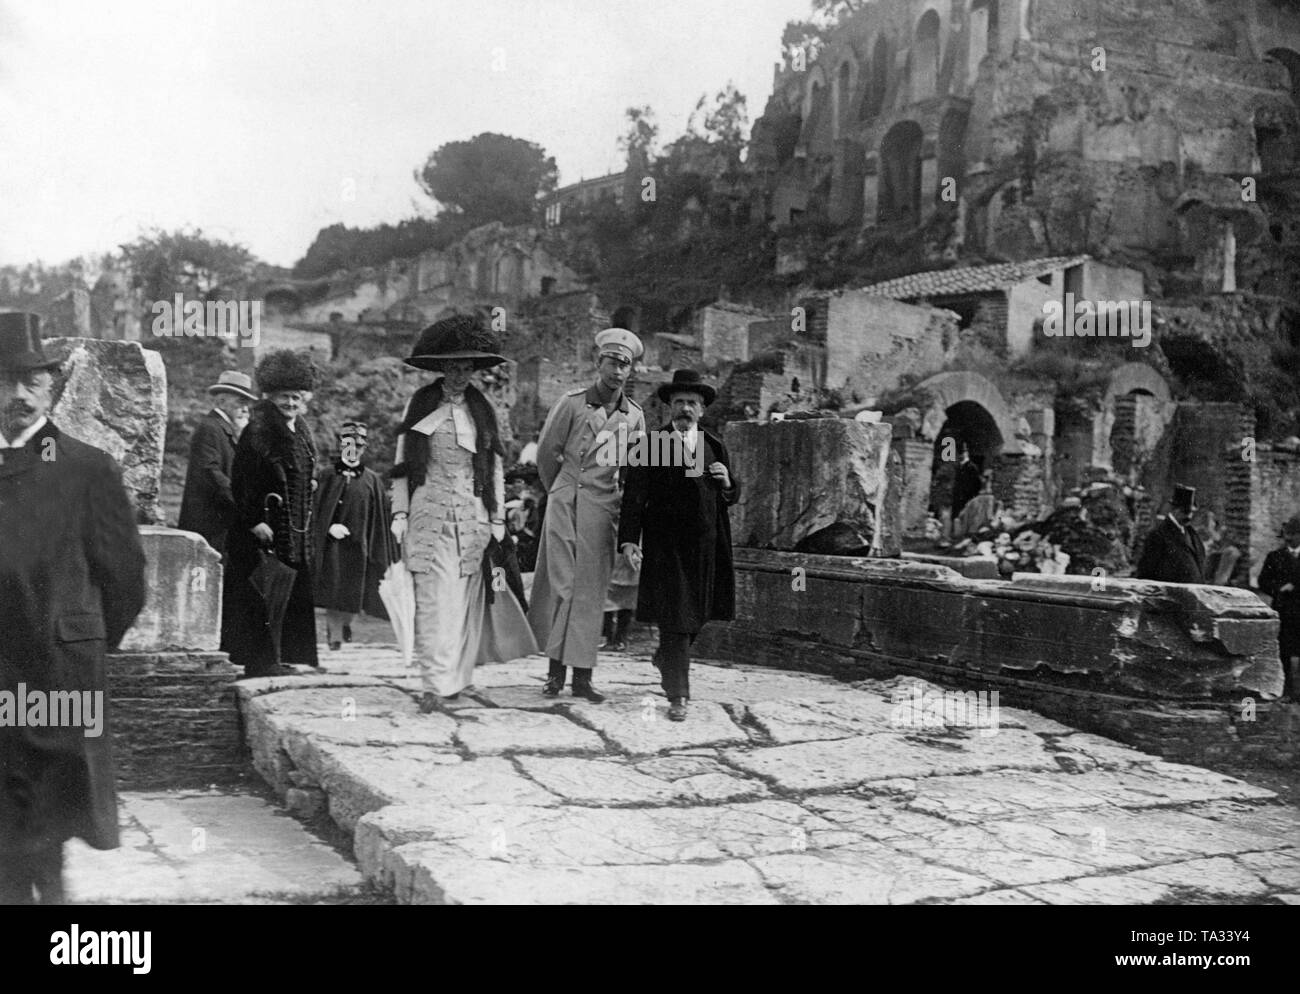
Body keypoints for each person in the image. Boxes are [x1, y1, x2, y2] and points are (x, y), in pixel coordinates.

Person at [0, 312, 147, 903]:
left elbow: (125, 580)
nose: (15, 394)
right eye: (3, 379)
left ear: (51, 386)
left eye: (30, 381)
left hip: (59, 672)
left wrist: (81, 641)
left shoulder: (88, 467)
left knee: (51, 826)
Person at [389, 315, 536, 712]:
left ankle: (458, 678)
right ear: (440, 367)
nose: (459, 374)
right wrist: (400, 512)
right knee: (435, 598)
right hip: (428, 512)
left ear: (474, 370)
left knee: (467, 601)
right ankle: (434, 684)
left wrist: (497, 518)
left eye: (466, 367)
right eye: (452, 366)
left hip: (472, 516)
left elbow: (494, 465)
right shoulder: (419, 404)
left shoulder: (481, 408)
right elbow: (402, 462)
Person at [529, 328, 647, 702]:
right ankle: (553, 674)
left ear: (631, 371)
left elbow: (636, 469)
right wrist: (561, 490)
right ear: (599, 363)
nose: (617, 371)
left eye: (625, 365)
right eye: (612, 362)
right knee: (563, 586)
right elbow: (547, 453)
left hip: (603, 508)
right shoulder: (572, 403)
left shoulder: (634, 417)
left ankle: (582, 678)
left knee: (592, 594)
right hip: (566, 501)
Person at [618, 369, 740, 722]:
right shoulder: (652, 444)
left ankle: (665, 659)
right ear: (669, 406)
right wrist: (629, 539)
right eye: (680, 402)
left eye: (693, 403)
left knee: (698, 616)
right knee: (675, 619)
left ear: (702, 410)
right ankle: (678, 696)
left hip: (707, 546)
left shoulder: (714, 444)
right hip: (666, 546)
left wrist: (729, 481)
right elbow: (634, 497)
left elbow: (730, 494)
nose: (686, 409)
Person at [224, 350, 320, 677]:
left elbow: (303, 467)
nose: (290, 403)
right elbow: (242, 479)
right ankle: (260, 662)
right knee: (263, 592)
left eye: (295, 397)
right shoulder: (259, 429)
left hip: (294, 526)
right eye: (283, 397)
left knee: (288, 591)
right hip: (266, 525)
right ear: (270, 396)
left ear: (304, 398)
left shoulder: (301, 429)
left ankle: (281, 655)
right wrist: (255, 521)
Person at [313, 421, 394, 651]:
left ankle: (345, 624)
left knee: (353, 593)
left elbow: (380, 516)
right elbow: (316, 509)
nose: (354, 448)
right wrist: (328, 528)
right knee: (333, 590)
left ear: (364, 447)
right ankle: (335, 635)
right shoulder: (327, 475)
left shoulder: (372, 479)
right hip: (332, 545)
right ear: (341, 446)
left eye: (358, 444)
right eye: (349, 444)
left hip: (359, 546)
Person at [177, 370, 257, 557]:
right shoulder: (210, 427)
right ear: (221, 402)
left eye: (247, 404)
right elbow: (211, 473)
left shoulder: (225, 429)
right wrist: (246, 506)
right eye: (240, 403)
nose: (246, 410)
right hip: (208, 526)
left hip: (221, 526)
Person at [1256, 515, 1300, 700]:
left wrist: (1296, 587)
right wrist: (1278, 589)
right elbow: (1263, 581)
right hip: (1283, 611)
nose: (1288, 538)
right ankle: (1286, 691)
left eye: (1293, 534)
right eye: (1286, 534)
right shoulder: (1275, 556)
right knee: (1283, 652)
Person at [1134, 484, 1205, 584]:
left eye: (1191, 512)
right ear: (1174, 509)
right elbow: (1146, 572)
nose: (1189, 516)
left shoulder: (1193, 535)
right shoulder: (1159, 535)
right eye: (1185, 512)